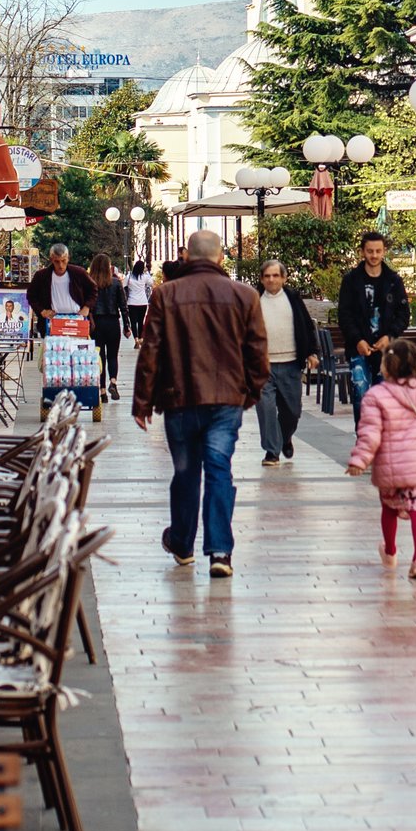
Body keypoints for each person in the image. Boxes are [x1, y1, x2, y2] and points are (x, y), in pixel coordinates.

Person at [132, 229, 268, 580]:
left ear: (188, 257)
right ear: (221, 257)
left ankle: (182, 543)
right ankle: (220, 551)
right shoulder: (245, 295)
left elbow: (151, 350)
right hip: (226, 400)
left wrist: (143, 401)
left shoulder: (166, 294)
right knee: (220, 469)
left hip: (180, 398)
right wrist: (249, 392)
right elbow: (258, 352)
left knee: (186, 472)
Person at [346, 338, 416, 582]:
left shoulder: (376, 396)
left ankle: (390, 551)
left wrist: (360, 460)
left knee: (389, 508)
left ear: (388, 366)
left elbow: (370, 432)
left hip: (390, 466)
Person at [336, 231, 410, 428]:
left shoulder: (394, 281)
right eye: (370, 251)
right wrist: (357, 339)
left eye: (378, 251)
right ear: (362, 252)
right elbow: (344, 314)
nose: (374, 255)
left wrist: (390, 336)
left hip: (386, 349)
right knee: (360, 391)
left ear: (384, 251)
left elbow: (404, 314)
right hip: (358, 347)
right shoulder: (351, 280)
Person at [254, 259, 319, 467]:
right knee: (265, 408)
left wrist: (312, 352)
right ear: (262, 279)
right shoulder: (254, 300)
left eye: (275, 275)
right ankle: (272, 452)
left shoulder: (293, 298)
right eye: (267, 276)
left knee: (292, 411)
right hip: (263, 365)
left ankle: (285, 437)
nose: (271, 280)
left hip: (291, 363)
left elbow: (306, 326)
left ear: (284, 278)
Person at [88, 252, 131, 401]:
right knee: (113, 355)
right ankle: (113, 382)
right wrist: (127, 326)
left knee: (99, 357)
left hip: (96, 324)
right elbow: (123, 307)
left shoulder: (90, 283)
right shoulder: (116, 283)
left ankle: (102, 391)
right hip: (113, 322)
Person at [26, 244, 96, 333]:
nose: (61, 265)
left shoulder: (79, 273)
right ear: (51, 259)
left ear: (68, 258)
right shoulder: (41, 276)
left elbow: (93, 290)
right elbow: (31, 296)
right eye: (57, 261)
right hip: (51, 321)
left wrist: (87, 307)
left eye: (63, 260)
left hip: (77, 319)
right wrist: (42, 311)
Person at [126, 260, 153, 343]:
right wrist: (147, 272)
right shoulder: (145, 277)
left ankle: (136, 339)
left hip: (131, 302)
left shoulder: (129, 276)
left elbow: (123, 285)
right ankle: (141, 338)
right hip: (142, 302)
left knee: (133, 322)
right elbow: (152, 283)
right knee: (141, 321)